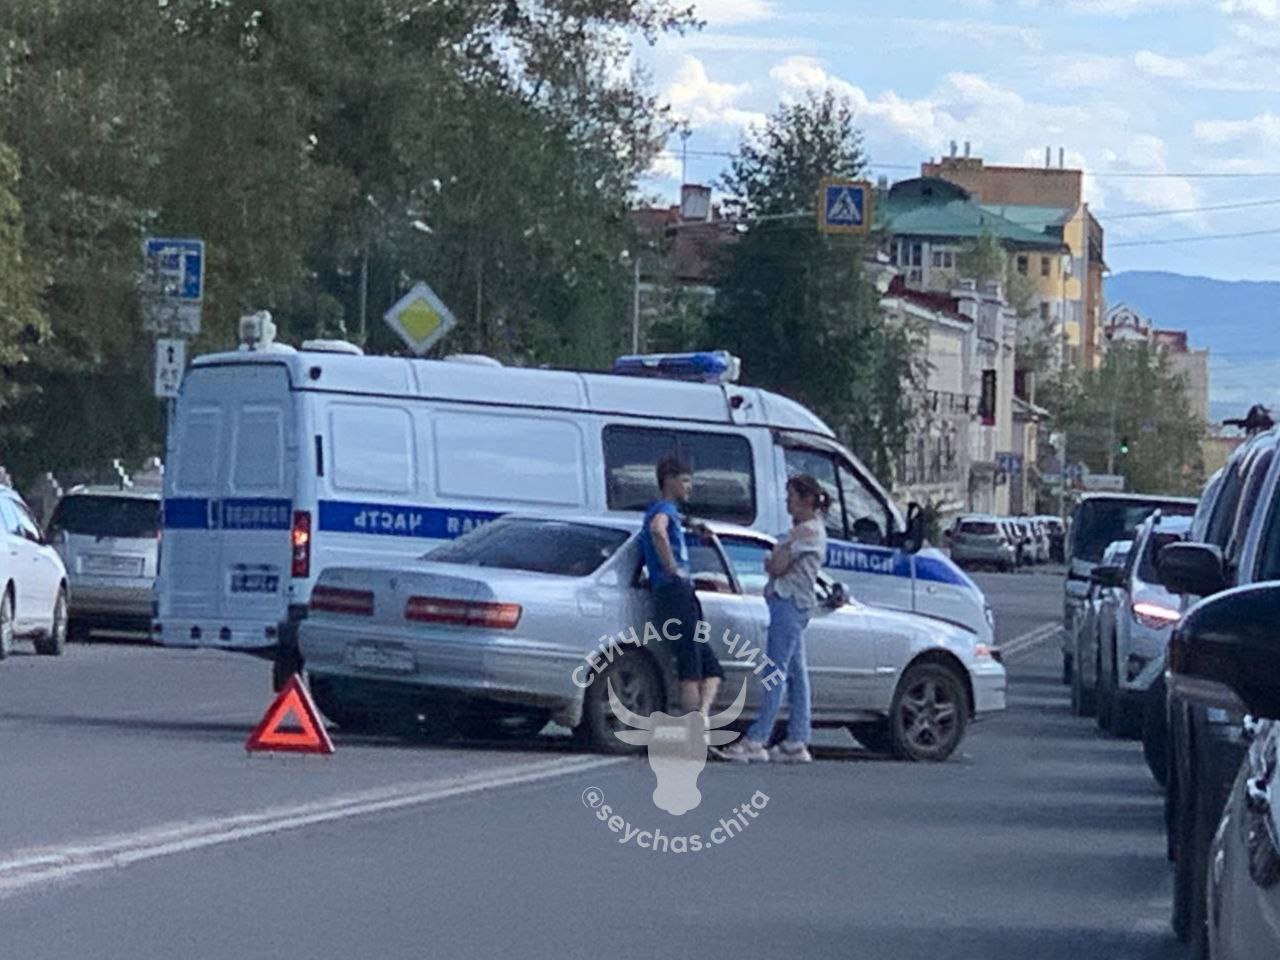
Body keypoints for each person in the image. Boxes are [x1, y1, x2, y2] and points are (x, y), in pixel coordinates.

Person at [715, 474, 830, 764]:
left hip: (788, 603)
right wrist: (778, 556)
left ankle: (758, 737)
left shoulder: (805, 532)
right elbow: (777, 561)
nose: (787, 502)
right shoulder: (807, 531)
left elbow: (776, 566)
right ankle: (797, 738)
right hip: (794, 603)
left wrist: (777, 556)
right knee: (795, 673)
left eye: (791, 496)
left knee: (775, 672)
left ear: (806, 500)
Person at [638, 455, 724, 718]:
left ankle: (702, 720)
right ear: (669, 481)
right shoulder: (663, 511)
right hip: (676, 593)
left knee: (711, 668)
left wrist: (694, 526)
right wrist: (672, 567)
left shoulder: (665, 511)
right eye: (685, 481)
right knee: (690, 667)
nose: (689, 487)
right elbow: (657, 530)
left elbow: (670, 523)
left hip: (675, 594)